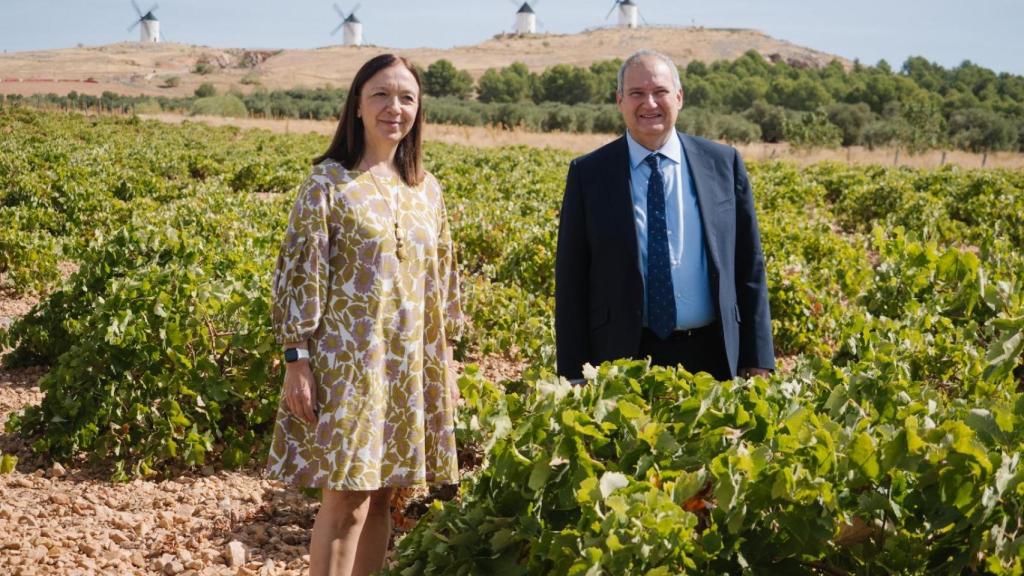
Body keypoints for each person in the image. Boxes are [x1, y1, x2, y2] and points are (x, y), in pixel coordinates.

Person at [265, 53, 463, 576]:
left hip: (407, 367)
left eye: (406, 98)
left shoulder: (427, 189)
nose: (393, 108)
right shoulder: (326, 184)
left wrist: (446, 362)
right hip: (347, 368)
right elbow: (299, 277)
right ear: (356, 105)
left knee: (383, 500)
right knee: (346, 500)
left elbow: (440, 284)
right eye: (380, 95)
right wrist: (295, 359)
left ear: (418, 110)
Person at [555, 49, 774, 382]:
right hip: (621, 360)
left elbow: (748, 267)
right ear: (619, 100)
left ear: (680, 97)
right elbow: (571, 281)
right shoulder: (589, 174)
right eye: (637, 94)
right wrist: (573, 373)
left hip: (712, 355)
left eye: (660, 92)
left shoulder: (723, 164)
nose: (650, 103)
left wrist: (758, 357)